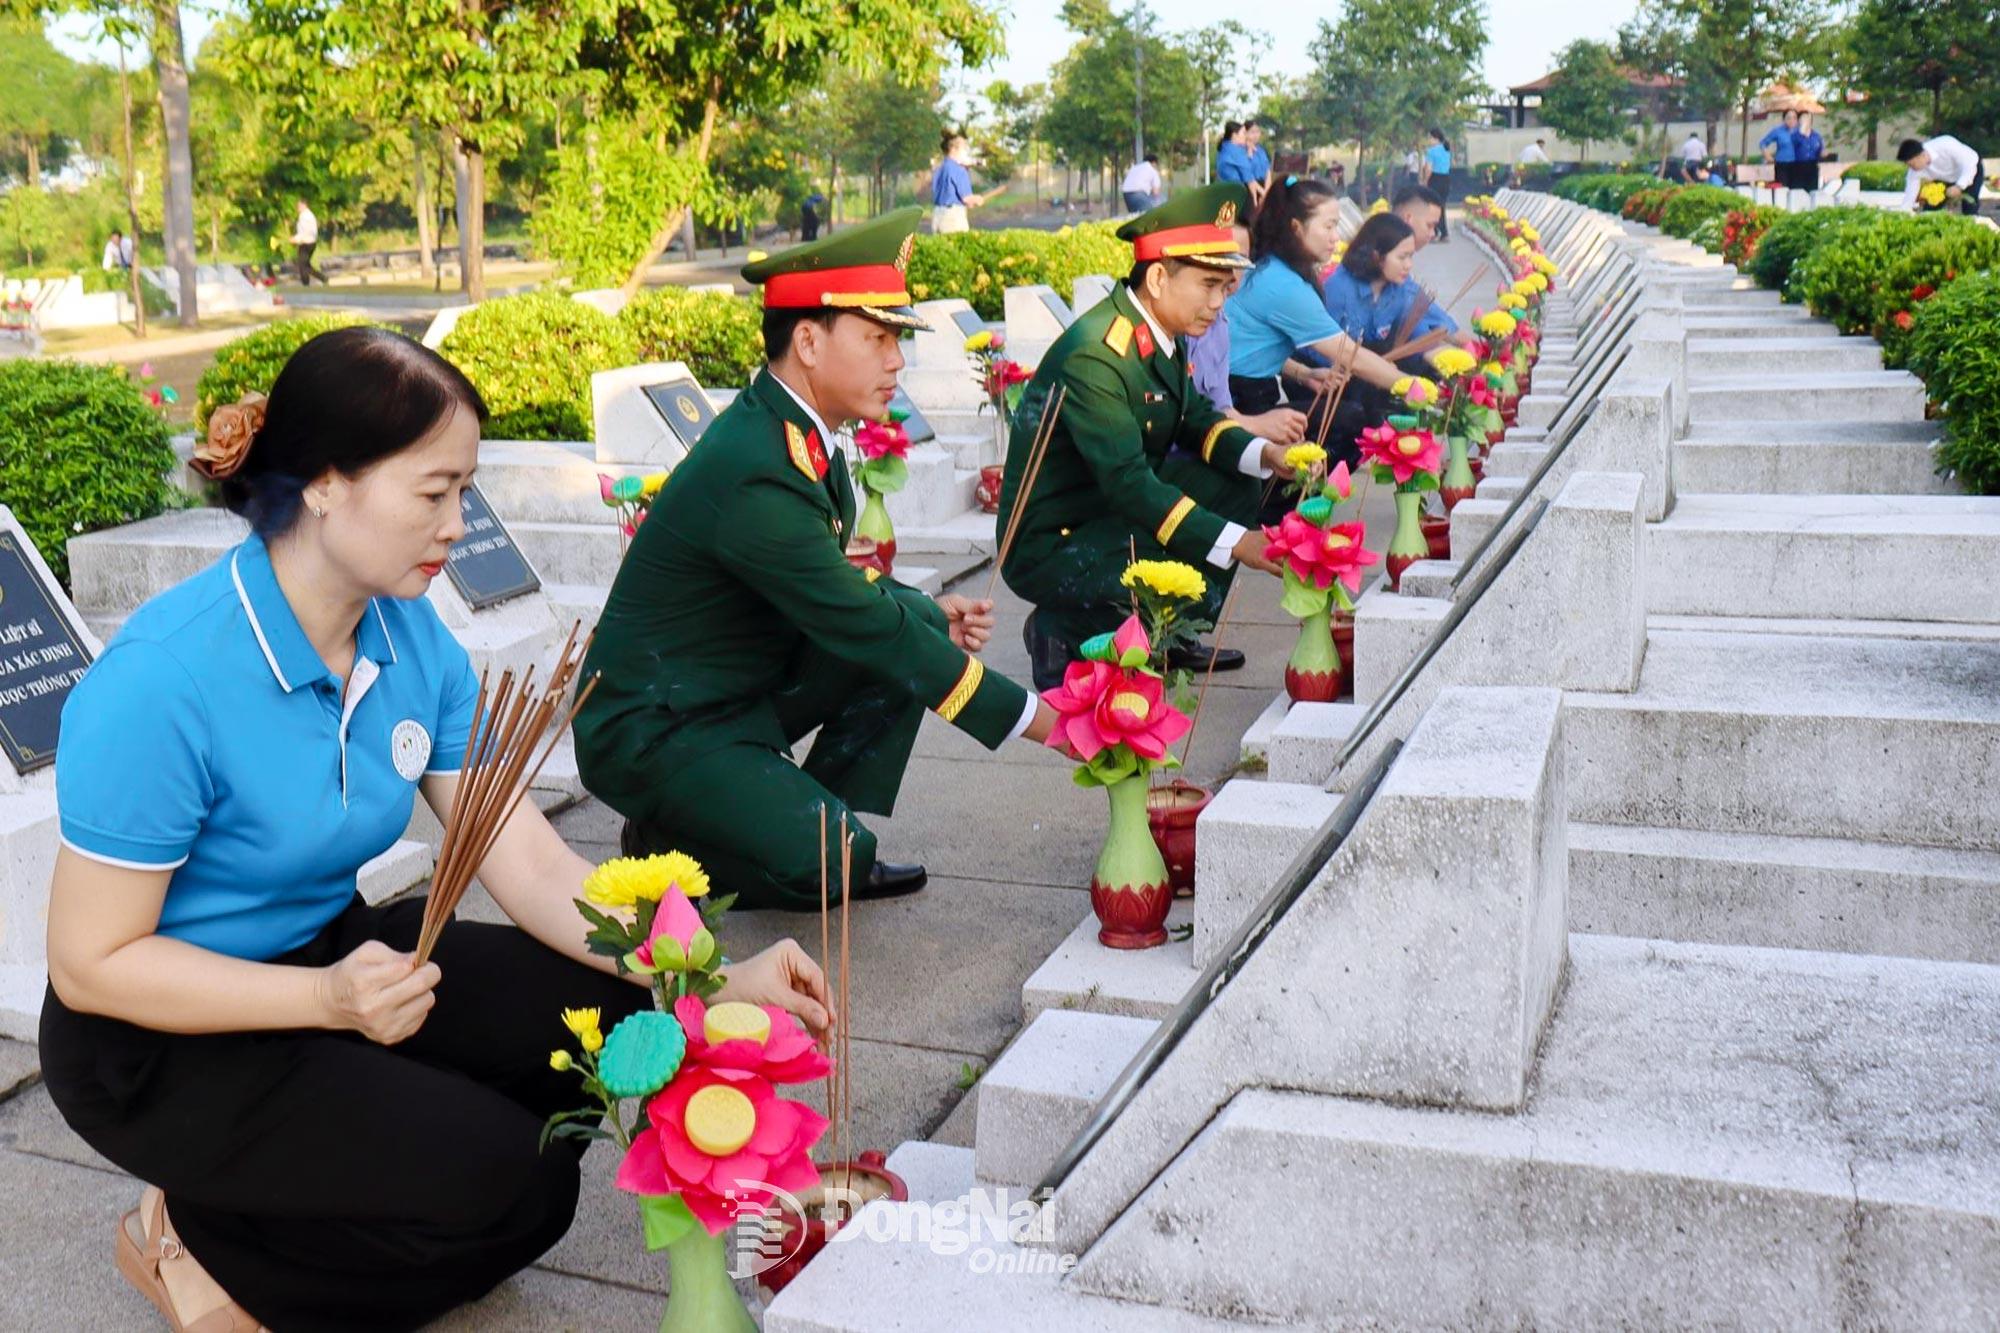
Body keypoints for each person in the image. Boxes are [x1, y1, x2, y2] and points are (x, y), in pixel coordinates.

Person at [40, 325, 833, 1333]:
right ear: (326, 483)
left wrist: (712, 980)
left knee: (624, 1030)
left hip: (329, 956)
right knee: (517, 1189)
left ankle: (318, 1168)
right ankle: (200, 1241)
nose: (459, 522)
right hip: (156, 1034)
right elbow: (92, 965)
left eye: (466, 490)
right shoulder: (162, 681)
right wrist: (326, 1002)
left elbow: (532, 860)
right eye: (433, 491)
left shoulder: (407, 631)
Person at [577, 208, 1054, 910]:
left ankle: (810, 817)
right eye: (878, 337)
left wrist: (925, 614)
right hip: (656, 726)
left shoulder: (795, 434)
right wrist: (1041, 721)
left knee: (915, 624)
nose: (897, 359)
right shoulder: (758, 465)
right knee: (837, 854)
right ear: (807, 339)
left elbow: (837, 591)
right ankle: (677, 846)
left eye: (897, 338)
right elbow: (860, 621)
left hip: (719, 692)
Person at [1000, 183, 1303, 688]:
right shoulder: (1096, 354)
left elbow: (1196, 419)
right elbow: (1130, 485)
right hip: (1055, 540)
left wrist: (1265, 454)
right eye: (1209, 284)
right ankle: (1062, 628)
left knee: (1236, 483)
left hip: (1107, 508)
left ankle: (1171, 631)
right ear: (1159, 277)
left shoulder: (1161, 332)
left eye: (1224, 287)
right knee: (1190, 534)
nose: (1218, 302)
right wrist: (1237, 543)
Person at [1224, 176, 1405, 461]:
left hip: (1251, 387)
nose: (1337, 236)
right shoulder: (1283, 284)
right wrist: (1411, 387)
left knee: (1352, 396)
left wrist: (1302, 373)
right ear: (1296, 227)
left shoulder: (1273, 267)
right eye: (1329, 225)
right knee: (1353, 422)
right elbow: (1350, 356)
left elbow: (1250, 347)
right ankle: (1288, 500)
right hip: (1238, 400)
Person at [1185, 219, 1309, 446]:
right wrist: (1257, 426)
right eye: (1221, 258)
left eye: (1240, 260)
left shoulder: (1219, 323)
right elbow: (1184, 419)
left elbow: (1220, 406)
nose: (1231, 272)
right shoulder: (1180, 323)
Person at [1898, 134, 1984, 215]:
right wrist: (1904, 212)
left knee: (1969, 206)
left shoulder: (1946, 144)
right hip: (1944, 178)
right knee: (1930, 209)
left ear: (1922, 155)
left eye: (1912, 164)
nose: (1911, 168)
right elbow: (1910, 195)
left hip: (1971, 170)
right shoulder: (1914, 171)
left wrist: (1959, 186)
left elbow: (1969, 164)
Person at [929, 132, 994, 235]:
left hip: (937, 215)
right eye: (964, 148)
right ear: (954, 149)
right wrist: (978, 199)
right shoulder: (958, 169)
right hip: (953, 218)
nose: (966, 152)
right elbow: (967, 199)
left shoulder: (940, 167)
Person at [1759, 110, 1799, 206]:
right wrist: (1767, 156)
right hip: (1782, 165)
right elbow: (1763, 143)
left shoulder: (1800, 131)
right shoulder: (1778, 131)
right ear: (1784, 120)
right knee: (1782, 192)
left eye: (1794, 118)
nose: (1791, 120)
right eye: (1789, 118)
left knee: (1797, 191)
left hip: (1798, 165)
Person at [1419, 128, 1453, 239]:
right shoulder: (1447, 150)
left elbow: (1428, 168)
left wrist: (1425, 181)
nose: (1429, 140)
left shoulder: (1431, 151)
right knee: (1441, 206)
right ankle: (1441, 231)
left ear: (1435, 138)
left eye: (1430, 138)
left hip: (1435, 179)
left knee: (1433, 206)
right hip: (1446, 179)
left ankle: (1439, 231)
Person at [290, 198, 327, 285]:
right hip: (310, 242)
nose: (297, 208)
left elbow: (304, 231)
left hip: (306, 243)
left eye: (298, 206)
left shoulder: (304, 216)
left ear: (304, 205)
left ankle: (306, 284)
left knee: (302, 265)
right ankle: (323, 278)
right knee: (305, 265)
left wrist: (295, 239)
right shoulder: (309, 215)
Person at [1792, 113, 1825, 206]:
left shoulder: (1816, 136)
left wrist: (1822, 154)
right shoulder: (1794, 135)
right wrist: (1801, 132)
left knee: (1812, 191)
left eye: (1807, 119)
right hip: (1798, 165)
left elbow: (1820, 149)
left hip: (1812, 166)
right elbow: (1793, 145)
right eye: (1803, 119)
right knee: (1798, 192)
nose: (1806, 121)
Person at [1215, 121, 1253, 190]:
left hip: (1224, 190)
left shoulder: (1225, 147)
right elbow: (1249, 179)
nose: (1246, 136)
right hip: (1234, 192)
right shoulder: (1235, 151)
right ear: (1234, 135)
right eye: (1244, 133)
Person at [1243, 120, 1272, 205]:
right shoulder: (1241, 151)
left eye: (1257, 132)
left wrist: (1266, 192)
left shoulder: (1261, 150)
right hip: (1249, 188)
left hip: (1264, 187)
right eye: (1252, 132)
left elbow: (1267, 172)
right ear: (1245, 133)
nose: (1256, 135)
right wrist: (1249, 152)